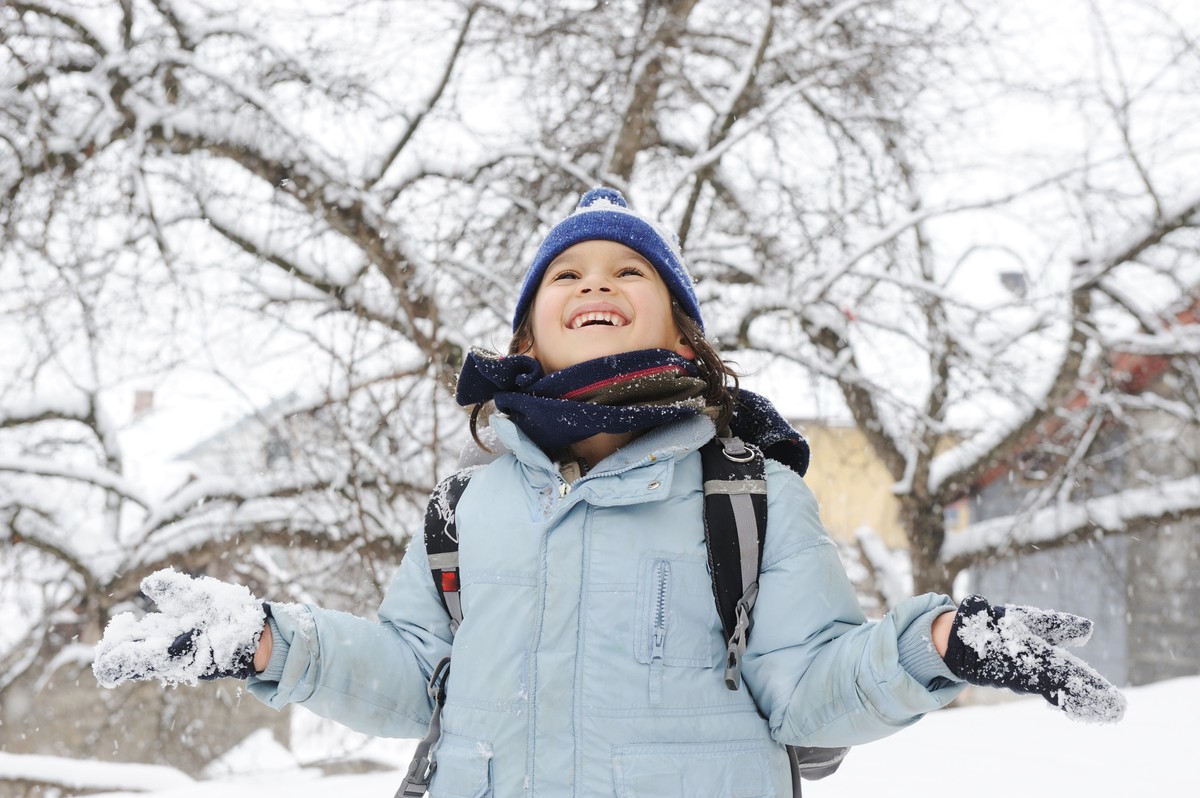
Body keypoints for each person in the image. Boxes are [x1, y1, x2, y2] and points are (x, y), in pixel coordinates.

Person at [94, 188, 1125, 797]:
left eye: (629, 273)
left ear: (682, 333)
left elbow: (811, 688)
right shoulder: (465, 510)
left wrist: (936, 644)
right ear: (527, 336)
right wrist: (270, 643)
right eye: (567, 274)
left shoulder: (748, 493)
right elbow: (413, 680)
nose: (595, 283)